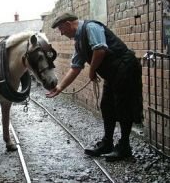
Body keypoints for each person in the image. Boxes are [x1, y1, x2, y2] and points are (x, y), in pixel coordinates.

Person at [46, 13, 143, 162]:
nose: (61, 33)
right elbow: (75, 68)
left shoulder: (91, 27)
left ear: (68, 24)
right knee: (107, 106)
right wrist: (59, 88)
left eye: (61, 28)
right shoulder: (79, 42)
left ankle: (124, 147)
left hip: (125, 67)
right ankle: (107, 144)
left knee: (123, 107)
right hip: (113, 73)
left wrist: (92, 71)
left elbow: (100, 50)